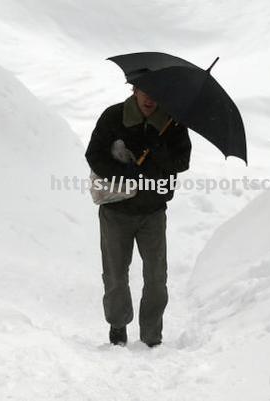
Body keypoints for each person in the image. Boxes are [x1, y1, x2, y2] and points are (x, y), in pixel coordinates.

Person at [85, 87, 191, 347]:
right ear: (134, 90)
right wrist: (124, 173)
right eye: (144, 91)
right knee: (115, 274)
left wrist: (158, 151)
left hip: (153, 211)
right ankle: (118, 326)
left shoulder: (172, 122)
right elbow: (94, 155)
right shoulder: (113, 116)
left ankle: (151, 337)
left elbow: (182, 161)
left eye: (154, 93)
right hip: (116, 210)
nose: (150, 98)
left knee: (156, 277)